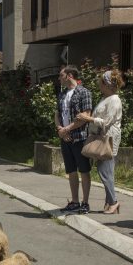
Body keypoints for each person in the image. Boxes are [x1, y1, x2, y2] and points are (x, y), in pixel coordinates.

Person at [76, 69, 124, 214]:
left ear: (107, 84)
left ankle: (113, 202)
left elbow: (106, 122)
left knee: (105, 171)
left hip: (108, 139)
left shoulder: (114, 100)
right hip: (102, 137)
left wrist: (87, 119)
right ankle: (109, 202)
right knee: (105, 170)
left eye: (100, 82)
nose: (98, 84)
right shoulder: (106, 98)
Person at [55, 65, 93, 214]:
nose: (59, 78)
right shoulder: (62, 94)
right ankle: (75, 201)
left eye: (61, 75)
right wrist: (60, 129)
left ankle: (85, 203)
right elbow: (57, 114)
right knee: (71, 170)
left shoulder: (84, 92)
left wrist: (67, 129)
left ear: (69, 75)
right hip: (65, 137)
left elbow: (86, 116)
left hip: (79, 137)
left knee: (84, 170)